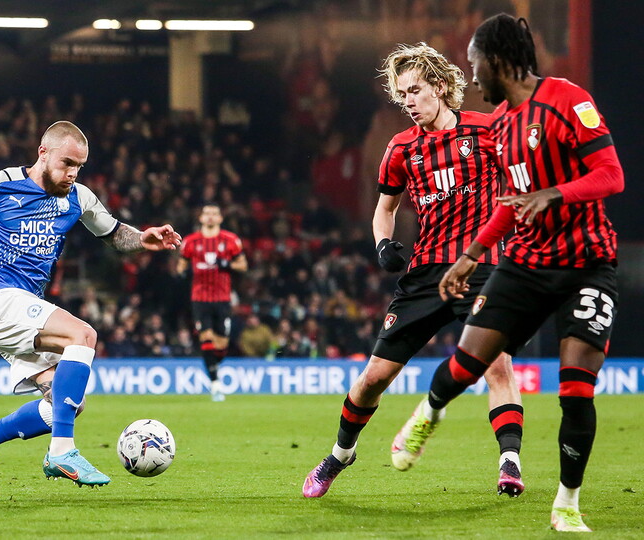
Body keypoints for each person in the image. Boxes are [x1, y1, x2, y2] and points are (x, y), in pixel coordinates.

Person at [397, 15, 623, 532]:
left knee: (576, 391)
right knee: (468, 361)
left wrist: (555, 194)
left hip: (587, 264)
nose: (471, 78)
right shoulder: (500, 124)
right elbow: (508, 205)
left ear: (498, 62)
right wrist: (471, 254)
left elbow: (611, 174)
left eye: (475, 65)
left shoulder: (568, 99)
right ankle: (428, 414)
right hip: (524, 264)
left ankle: (567, 501)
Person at [302, 43, 524, 498]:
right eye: (402, 93)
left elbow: (522, 179)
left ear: (441, 87)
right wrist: (383, 243)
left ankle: (510, 465)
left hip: (480, 269)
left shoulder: (487, 131)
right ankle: (340, 455)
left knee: (496, 364)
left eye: (415, 90)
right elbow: (385, 209)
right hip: (424, 275)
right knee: (374, 379)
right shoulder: (401, 147)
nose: (408, 101)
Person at [0, 120, 181, 496]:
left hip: (26, 308)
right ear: (43, 152)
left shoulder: (79, 198)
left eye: (79, 166)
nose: (72, 173)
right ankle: (62, 451)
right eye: (67, 163)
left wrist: (143, 238)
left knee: (67, 404)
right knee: (84, 334)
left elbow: (113, 233)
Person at [176, 204, 247, 401]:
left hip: (223, 299)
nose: (210, 217)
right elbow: (180, 266)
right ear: (201, 218)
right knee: (206, 338)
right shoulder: (190, 242)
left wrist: (228, 264)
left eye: (214, 214)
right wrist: (183, 273)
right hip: (200, 299)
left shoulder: (230, 240)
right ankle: (215, 384)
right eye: (206, 213)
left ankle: (213, 366)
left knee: (221, 346)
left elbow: (243, 265)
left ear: (220, 218)